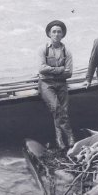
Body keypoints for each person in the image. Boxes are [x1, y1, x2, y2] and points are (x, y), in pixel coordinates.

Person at [38, 20, 75, 149]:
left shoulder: (67, 51)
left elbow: (69, 73)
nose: (56, 34)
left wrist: (52, 72)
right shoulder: (43, 49)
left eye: (59, 31)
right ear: (49, 33)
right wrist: (59, 70)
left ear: (63, 34)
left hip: (61, 83)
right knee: (56, 107)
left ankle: (60, 140)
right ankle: (69, 136)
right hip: (46, 83)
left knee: (63, 110)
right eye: (54, 31)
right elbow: (41, 69)